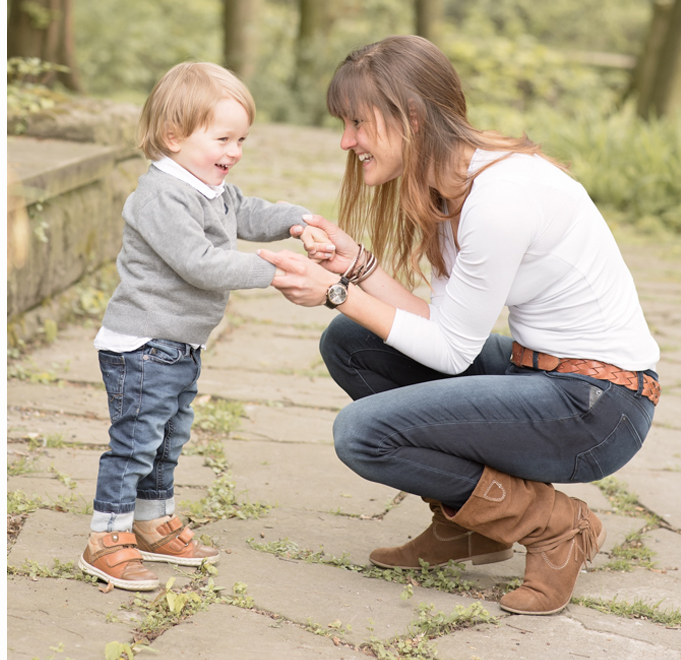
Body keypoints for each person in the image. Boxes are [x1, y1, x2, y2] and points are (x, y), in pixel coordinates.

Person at [259, 35, 659, 616]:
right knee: (354, 344)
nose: (347, 141)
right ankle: (471, 526)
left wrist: (336, 292)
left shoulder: (500, 198)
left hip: (599, 405)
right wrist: (356, 266)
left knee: (363, 433)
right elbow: (446, 330)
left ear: (412, 118)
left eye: (357, 123)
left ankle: (553, 525)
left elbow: (447, 353)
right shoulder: (459, 183)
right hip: (541, 373)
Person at [78, 62, 321, 590]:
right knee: (136, 442)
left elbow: (249, 214)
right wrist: (275, 269)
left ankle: (151, 519)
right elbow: (201, 264)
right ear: (174, 136)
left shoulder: (211, 189)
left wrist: (297, 221)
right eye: (223, 138)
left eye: (242, 140)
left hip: (180, 344)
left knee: (169, 440)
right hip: (142, 344)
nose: (234, 151)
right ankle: (106, 536)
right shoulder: (162, 196)